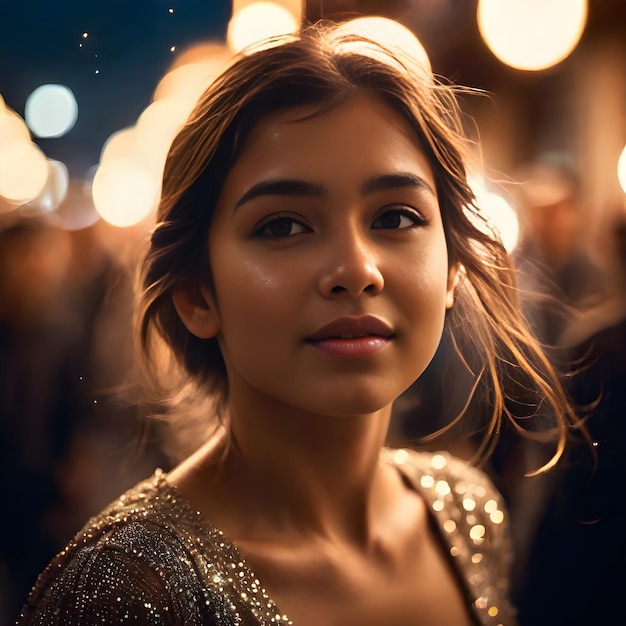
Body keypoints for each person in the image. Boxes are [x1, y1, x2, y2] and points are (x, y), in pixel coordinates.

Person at [17, 17, 578, 626]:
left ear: (451, 270)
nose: (357, 270)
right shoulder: (130, 592)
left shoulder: (467, 517)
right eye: (283, 225)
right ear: (196, 293)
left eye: (395, 217)